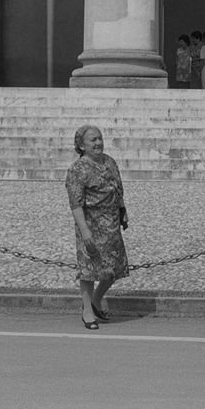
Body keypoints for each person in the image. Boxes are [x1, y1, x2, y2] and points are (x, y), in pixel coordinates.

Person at [65, 125, 129, 330]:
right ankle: (87, 311)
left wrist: (122, 210)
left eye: (99, 138)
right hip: (91, 224)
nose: (98, 143)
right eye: (92, 140)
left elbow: (117, 189)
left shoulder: (109, 162)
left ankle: (96, 299)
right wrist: (84, 231)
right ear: (81, 145)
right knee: (89, 270)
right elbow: (75, 203)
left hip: (111, 223)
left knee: (113, 268)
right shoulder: (78, 169)